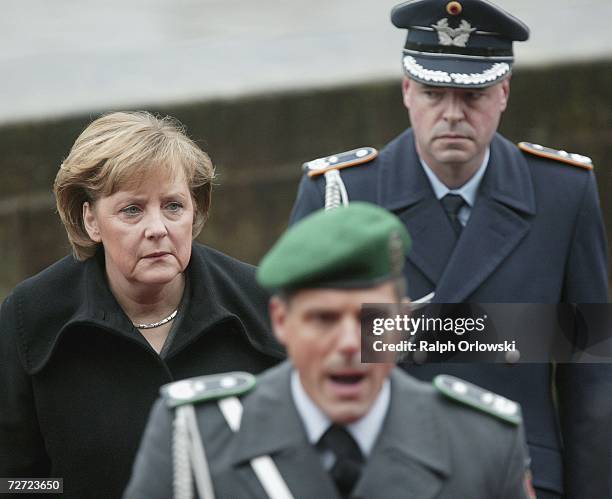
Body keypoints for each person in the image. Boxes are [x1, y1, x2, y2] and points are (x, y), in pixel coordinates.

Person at [288, 2, 611, 498]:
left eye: (473, 94)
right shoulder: (341, 194)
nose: (453, 114)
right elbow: (299, 357)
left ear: (503, 93)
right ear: (406, 92)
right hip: (383, 476)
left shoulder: (561, 193)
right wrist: (521, 332)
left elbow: (591, 374)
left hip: (521, 476)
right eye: (433, 92)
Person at [124, 202, 534, 499]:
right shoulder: (195, 436)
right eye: (323, 319)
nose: (349, 344)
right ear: (282, 321)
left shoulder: (483, 442)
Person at [0, 111, 284, 499]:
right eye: (132, 210)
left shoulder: (260, 299)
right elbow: (13, 480)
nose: (157, 228)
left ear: (194, 211)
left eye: (173, 206)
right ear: (91, 221)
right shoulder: (29, 317)